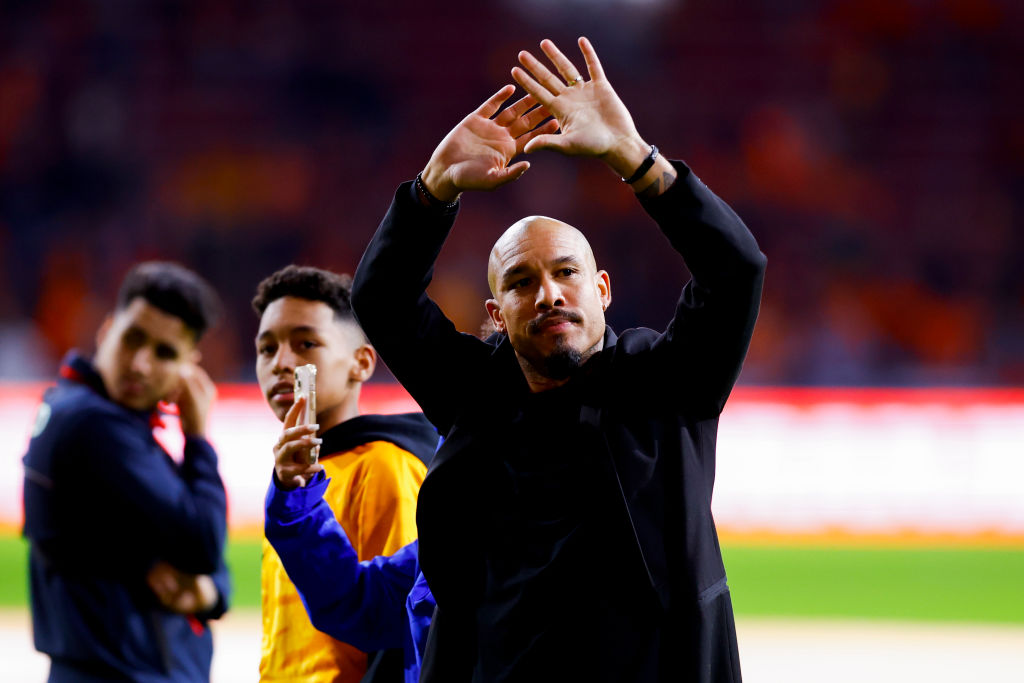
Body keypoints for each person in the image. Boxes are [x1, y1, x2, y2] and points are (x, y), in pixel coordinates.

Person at [349, 37, 767, 682]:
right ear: (496, 314)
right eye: (519, 283)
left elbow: (736, 270)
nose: (548, 293)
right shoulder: (475, 394)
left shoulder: (667, 384)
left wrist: (634, 158)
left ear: (601, 289)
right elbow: (380, 298)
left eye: (566, 272)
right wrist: (432, 189)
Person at [22, 261, 230, 682]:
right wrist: (198, 437)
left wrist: (212, 591)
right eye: (132, 338)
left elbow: (206, 563)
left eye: (164, 353)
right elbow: (203, 542)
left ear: (187, 365)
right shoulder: (95, 424)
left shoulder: (96, 415)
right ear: (106, 331)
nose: (139, 364)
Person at [252, 265, 437, 683]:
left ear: (361, 362)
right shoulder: (293, 489)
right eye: (267, 349)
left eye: (305, 343)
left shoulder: (383, 466)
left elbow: (401, 632)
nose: (282, 363)